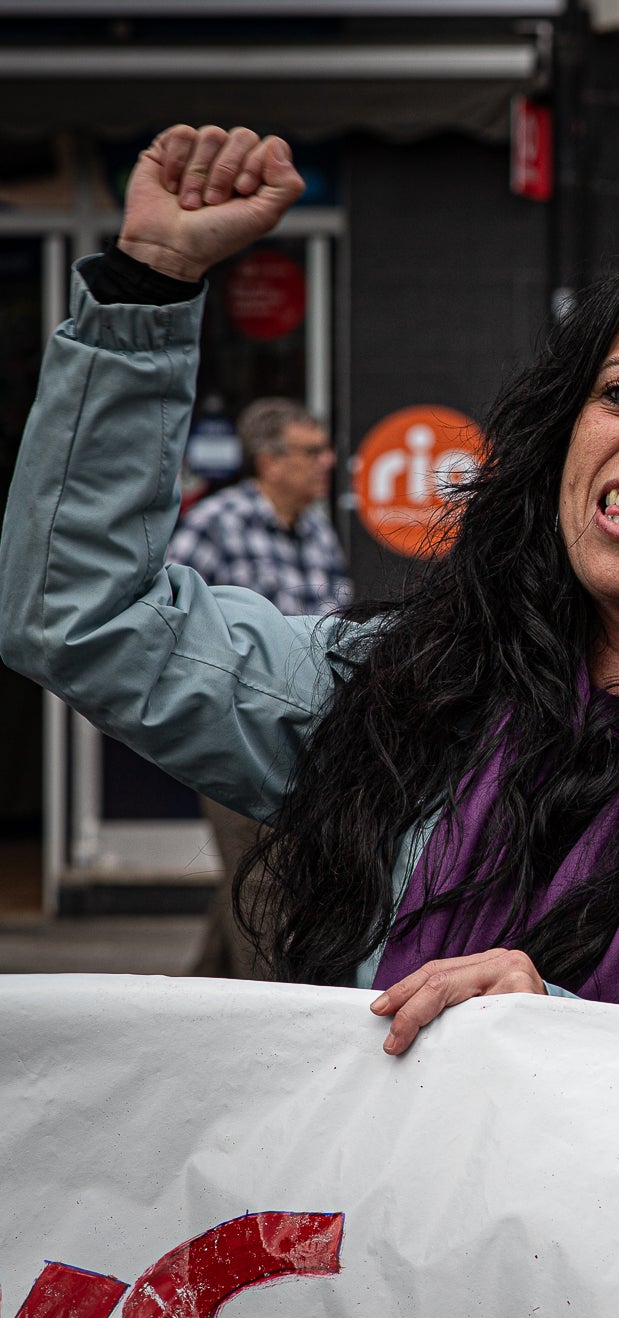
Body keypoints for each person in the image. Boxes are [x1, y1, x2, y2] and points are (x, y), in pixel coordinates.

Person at [0, 124, 619, 1058]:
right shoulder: (400, 697)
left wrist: (557, 1048)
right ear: (560, 435)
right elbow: (82, 612)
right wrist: (149, 288)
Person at [167, 395, 349, 979]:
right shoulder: (216, 524)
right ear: (269, 462)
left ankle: (188, 1008)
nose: (329, 460)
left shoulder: (317, 531)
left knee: (252, 879)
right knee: (265, 894)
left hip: (309, 738)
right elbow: (165, 623)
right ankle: (270, 1044)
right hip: (237, 734)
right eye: (312, 450)